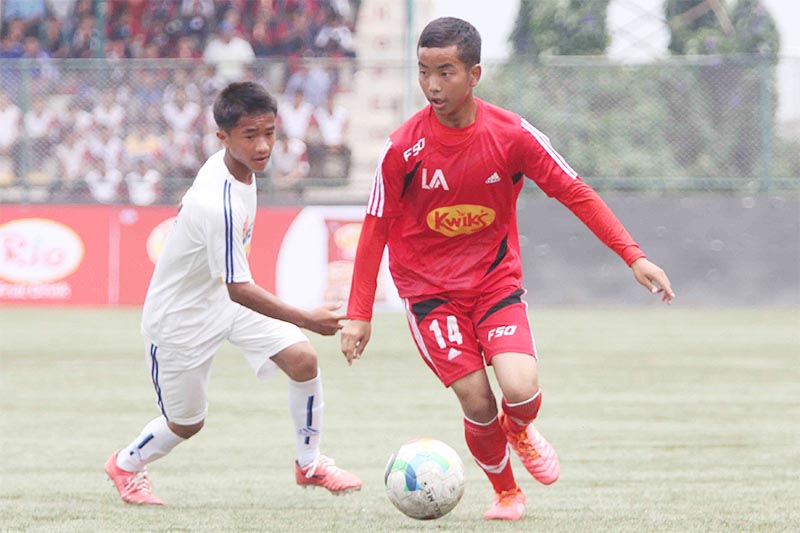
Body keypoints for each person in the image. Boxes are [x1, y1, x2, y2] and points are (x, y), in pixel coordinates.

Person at [340, 17, 675, 522]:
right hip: (430, 293)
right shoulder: (401, 149)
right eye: (424, 71)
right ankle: (506, 493)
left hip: (495, 283)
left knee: (520, 390)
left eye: (445, 72)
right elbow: (374, 229)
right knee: (476, 400)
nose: (432, 85)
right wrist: (358, 313)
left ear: (474, 74)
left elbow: (575, 192)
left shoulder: (512, 135)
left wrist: (633, 255)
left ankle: (518, 428)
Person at [105, 81, 362, 505]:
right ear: (222, 137)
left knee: (303, 359)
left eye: (270, 133)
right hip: (180, 322)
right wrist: (307, 318)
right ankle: (126, 464)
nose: (263, 146)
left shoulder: (236, 168)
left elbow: (231, 285)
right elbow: (240, 288)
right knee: (187, 424)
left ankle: (310, 463)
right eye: (250, 136)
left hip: (223, 300)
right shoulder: (219, 203)